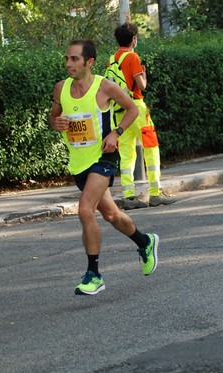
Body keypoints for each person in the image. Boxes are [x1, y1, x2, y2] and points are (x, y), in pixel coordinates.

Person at [49, 39, 159, 296]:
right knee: (111, 215)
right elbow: (53, 116)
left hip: (104, 158)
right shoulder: (60, 89)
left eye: (74, 59)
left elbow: (132, 108)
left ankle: (94, 274)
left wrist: (116, 133)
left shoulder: (104, 87)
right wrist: (56, 123)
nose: (68, 64)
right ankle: (145, 242)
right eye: (67, 59)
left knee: (85, 209)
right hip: (79, 162)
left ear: (89, 62)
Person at [107, 22, 176, 210]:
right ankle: (155, 193)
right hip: (136, 107)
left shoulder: (112, 59)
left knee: (126, 153)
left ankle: (129, 197)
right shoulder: (132, 57)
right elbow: (141, 85)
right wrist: (143, 75)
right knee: (151, 147)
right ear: (134, 39)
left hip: (119, 110)